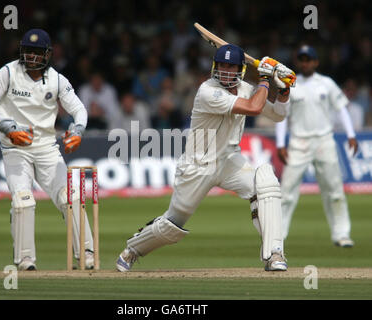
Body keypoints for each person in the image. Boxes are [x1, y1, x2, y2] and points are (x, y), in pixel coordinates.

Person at [116, 44, 295, 272]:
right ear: (214, 67)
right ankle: (132, 249)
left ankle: (275, 254)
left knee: (266, 182)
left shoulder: (247, 89)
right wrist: (266, 78)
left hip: (230, 160)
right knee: (174, 223)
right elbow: (253, 107)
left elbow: (279, 115)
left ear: (240, 69)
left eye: (231, 66)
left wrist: (284, 90)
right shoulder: (208, 91)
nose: (225, 71)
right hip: (198, 164)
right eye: (222, 65)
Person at [0, 29, 95, 270]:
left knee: (71, 197)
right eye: (28, 51)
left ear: (48, 54)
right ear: (21, 51)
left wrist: (77, 131)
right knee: (23, 201)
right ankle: (25, 260)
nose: (31, 57)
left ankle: (86, 254)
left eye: (37, 52)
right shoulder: (9, 72)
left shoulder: (57, 80)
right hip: (15, 148)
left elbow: (79, 109)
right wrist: (6, 126)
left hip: (46, 148)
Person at [275, 45, 358, 248]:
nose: (305, 63)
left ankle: (341, 234)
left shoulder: (326, 83)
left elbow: (341, 109)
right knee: (286, 192)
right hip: (299, 142)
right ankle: (277, 237)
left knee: (335, 191)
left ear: (316, 62)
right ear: (298, 62)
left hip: (324, 141)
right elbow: (281, 115)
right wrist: (280, 143)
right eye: (302, 59)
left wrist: (351, 134)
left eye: (308, 59)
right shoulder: (290, 85)